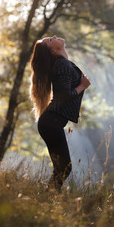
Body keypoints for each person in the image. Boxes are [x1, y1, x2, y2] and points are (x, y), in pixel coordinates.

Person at [30, 35, 91, 191]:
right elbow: (64, 96)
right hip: (51, 123)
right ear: (52, 50)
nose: (54, 36)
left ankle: (48, 198)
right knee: (64, 168)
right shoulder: (62, 65)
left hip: (51, 123)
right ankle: (48, 198)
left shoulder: (62, 64)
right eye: (50, 40)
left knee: (62, 168)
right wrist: (83, 86)